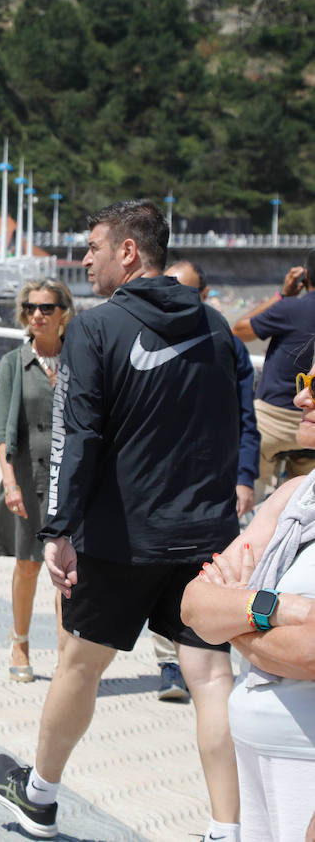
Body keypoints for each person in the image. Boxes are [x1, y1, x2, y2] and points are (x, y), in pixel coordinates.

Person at [0, 200, 242, 842]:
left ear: (129, 252)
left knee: (78, 664)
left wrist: (57, 531)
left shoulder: (97, 330)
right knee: (211, 677)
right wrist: (235, 497)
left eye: (95, 246)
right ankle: (228, 830)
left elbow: (78, 438)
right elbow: (238, 425)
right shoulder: (216, 327)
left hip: (121, 538)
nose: (85, 259)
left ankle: (39, 796)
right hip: (205, 537)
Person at [181, 367, 315, 842]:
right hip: (254, 753)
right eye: (303, 380)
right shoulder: (297, 495)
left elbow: (311, 653)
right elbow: (195, 604)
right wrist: (278, 610)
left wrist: (236, 618)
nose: (300, 399)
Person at [156, 259, 262, 703]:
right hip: (158, 482)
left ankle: (205, 656)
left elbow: (245, 413)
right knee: (160, 572)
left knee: (207, 567)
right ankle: (168, 664)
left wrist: (244, 476)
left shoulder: (223, 337)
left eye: (189, 293)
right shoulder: (147, 335)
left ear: (204, 294)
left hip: (212, 482)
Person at [0, 279, 75, 683]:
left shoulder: (80, 361)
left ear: (64, 314)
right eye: (30, 307)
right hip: (26, 476)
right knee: (28, 566)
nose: (37, 314)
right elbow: (2, 433)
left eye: (46, 307)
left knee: (68, 573)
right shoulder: (13, 364)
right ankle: (20, 640)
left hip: (71, 481)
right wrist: (9, 483)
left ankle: (65, 654)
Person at [233, 250, 315, 498]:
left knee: (254, 493)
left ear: (305, 276)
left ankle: (251, 508)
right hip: (310, 431)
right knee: (302, 496)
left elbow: (237, 331)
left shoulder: (291, 307)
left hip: (273, 419)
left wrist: (283, 294)